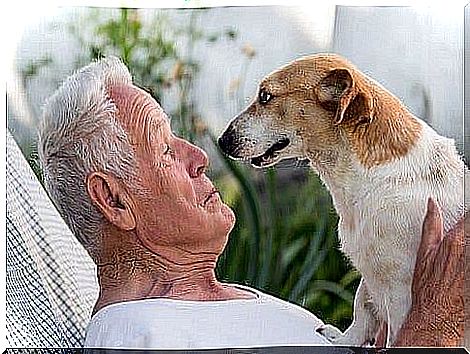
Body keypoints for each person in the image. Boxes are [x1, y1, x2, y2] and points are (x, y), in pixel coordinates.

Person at [38, 57, 464, 349]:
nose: (200, 157)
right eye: (166, 150)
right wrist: (433, 329)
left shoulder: (212, 307)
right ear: (114, 200)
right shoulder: (142, 337)